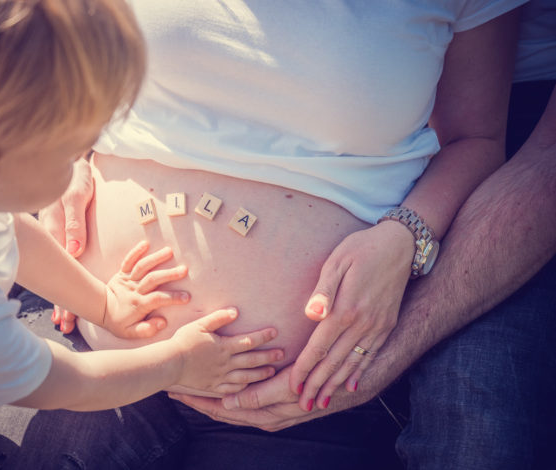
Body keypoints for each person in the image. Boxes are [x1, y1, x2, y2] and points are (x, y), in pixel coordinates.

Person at [35, 1, 526, 468]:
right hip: (96, 355)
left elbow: (476, 141)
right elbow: (53, 66)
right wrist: (62, 154)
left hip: (294, 402)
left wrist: (408, 234)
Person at [0, 2, 282, 469]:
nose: (83, 158)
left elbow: (8, 228)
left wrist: (102, 304)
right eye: (70, 153)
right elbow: (67, 384)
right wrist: (177, 361)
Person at [169, 3, 556, 469]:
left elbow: (495, 147)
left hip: (521, 125)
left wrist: (406, 242)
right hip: (101, 341)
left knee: (478, 422)